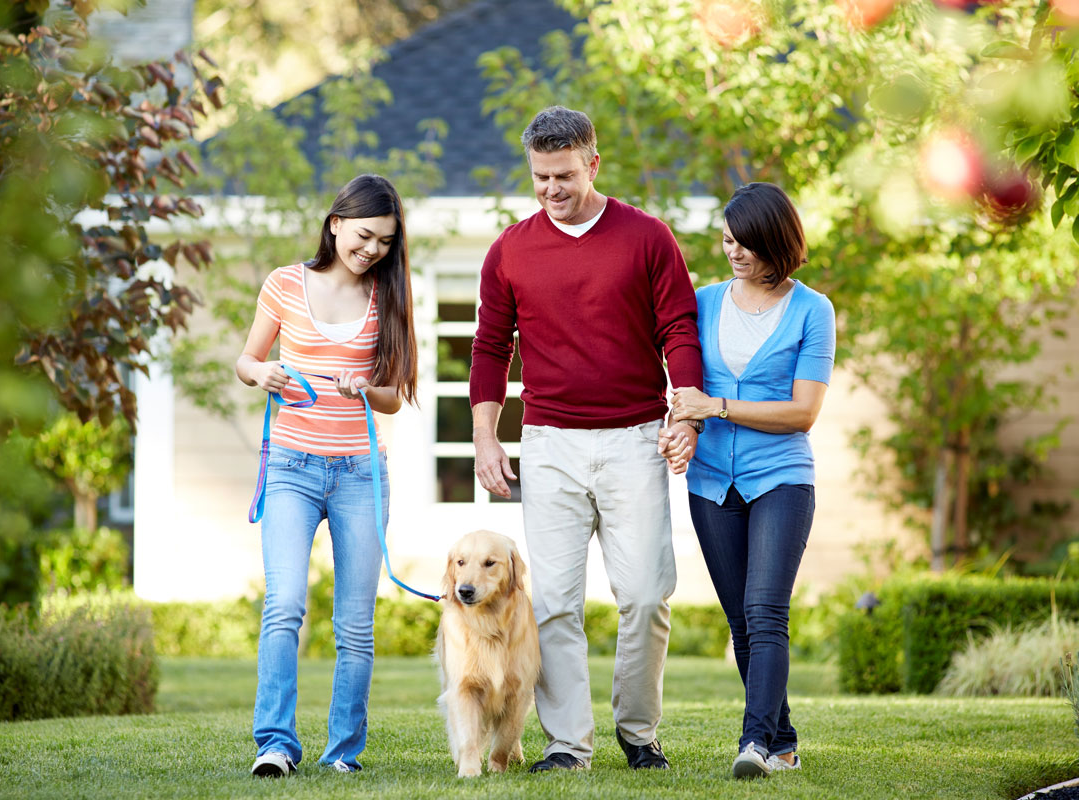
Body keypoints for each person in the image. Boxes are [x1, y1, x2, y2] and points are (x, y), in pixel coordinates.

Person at [469, 106, 703, 773]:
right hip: (549, 444)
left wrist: (683, 415)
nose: (552, 189)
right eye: (541, 177)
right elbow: (489, 347)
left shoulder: (647, 238)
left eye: (564, 175)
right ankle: (568, 745)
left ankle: (638, 731)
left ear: (593, 163)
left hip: (634, 440)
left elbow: (679, 331)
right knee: (557, 606)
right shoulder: (510, 249)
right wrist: (487, 437)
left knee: (647, 593)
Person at [235, 174, 418, 778]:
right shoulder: (285, 283)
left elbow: (394, 397)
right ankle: (275, 746)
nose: (372, 250)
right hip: (290, 466)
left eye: (385, 242)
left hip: (360, 474)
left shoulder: (388, 296)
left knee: (355, 625)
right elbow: (246, 360)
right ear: (336, 222)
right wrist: (263, 375)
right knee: (284, 604)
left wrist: (367, 387)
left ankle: (343, 753)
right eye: (364, 235)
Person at [660, 181, 835, 779]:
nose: (734, 253)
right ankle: (783, 740)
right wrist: (679, 423)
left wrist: (717, 407)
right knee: (740, 618)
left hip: (781, 478)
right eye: (729, 241)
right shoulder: (704, 301)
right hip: (711, 483)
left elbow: (803, 412)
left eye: (748, 244)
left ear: (777, 244)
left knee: (766, 609)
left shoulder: (813, 310)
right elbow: (683, 394)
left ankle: (754, 743)